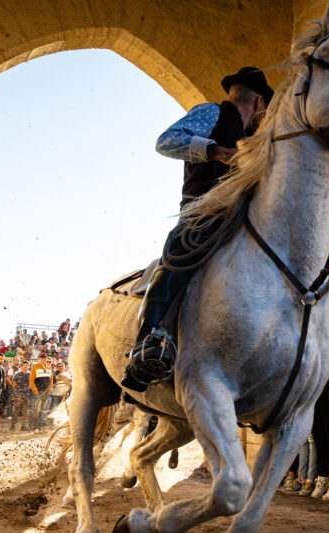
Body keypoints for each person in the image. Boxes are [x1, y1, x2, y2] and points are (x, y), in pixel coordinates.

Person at [121, 67, 274, 391]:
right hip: (203, 213)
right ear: (259, 101)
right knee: (176, 262)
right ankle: (147, 344)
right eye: (265, 108)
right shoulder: (211, 112)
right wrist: (217, 152)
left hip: (242, 217)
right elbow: (167, 141)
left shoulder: (255, 139)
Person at [29, 357, 53, 429]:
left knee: (44, 408)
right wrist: (35, 391)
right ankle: (32, 424)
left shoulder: (49, 368)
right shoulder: (35, 368)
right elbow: (31, 381)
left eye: (45, 358)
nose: (43, 359)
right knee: (36, 408)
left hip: (46, 392)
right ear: (39, 359)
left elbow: (51, 381)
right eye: (42, 358)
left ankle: (41, 423)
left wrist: (50, 390)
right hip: (38, 392)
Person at [9, 360, 32, 431]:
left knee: (25, 411)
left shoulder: (30, 374)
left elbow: (31, 384)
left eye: (27, 365)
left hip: (27, 394)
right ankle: (13, 425)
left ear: (28, 366)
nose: (25, 366)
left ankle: (23, 426)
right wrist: (14, 393)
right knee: (16, 410)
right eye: (24, 365)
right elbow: (14, 384)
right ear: (21, 366)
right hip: (19, 394)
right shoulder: (17, 373)